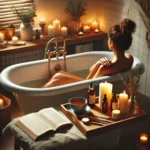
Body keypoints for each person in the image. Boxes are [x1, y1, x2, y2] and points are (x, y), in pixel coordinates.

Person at [42, 18, 136, 88]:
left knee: (58, 77)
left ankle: (40, 93)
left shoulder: (105, 68)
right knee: (60, 74)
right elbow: (91, 75)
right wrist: (98, 63)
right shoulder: (130, 59)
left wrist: (100, 66)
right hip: (91, 83)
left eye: (108, 39)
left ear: (112, 43)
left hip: (86, 90)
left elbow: (88, 85)